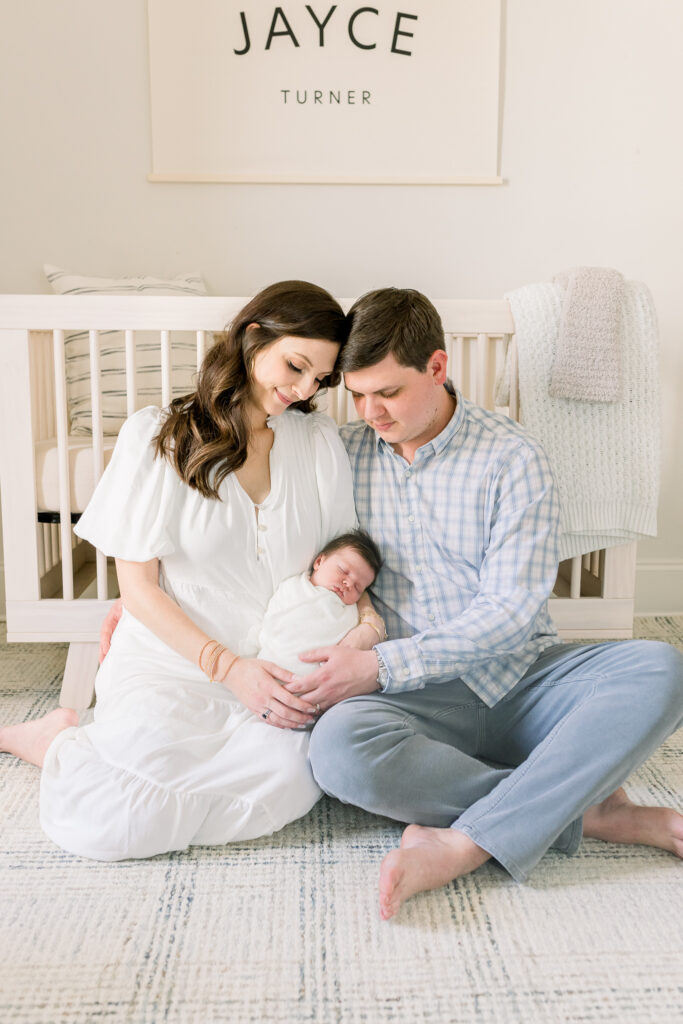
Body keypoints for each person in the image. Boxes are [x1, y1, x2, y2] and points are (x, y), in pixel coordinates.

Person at [281, 287, 683, 920]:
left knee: (660, 668)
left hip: (519, 677)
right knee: (338, 749)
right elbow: (277, 550)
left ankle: (465, 841)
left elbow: (512, 611)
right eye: (357, 395)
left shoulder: (512, 456)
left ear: (437, 368)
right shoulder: (345, 453)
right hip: (414, 703)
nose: (370, 412)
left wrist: (381, 666)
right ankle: (582, 809)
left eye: (387, 392)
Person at [0, 280, 383, 861]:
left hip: (275, 672)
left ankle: (80, 741)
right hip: (175, 663)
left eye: (321, 379)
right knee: (113, 821)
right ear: (255, 336)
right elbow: (138, 588)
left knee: (290, 783)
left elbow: (345, 561)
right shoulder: (159, 436)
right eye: (296, 365)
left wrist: (368, 629)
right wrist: (229, 670)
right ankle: (53, 740)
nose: (304, 389)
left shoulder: (317, 441)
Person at [254, 530, 384, 679]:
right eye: (343, 571)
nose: (348, 584)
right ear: (319, 562)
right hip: (272, 667)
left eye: (357, 587)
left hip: (319, 685)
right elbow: (272, 621)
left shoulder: (351, 612)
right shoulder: (293, 587)